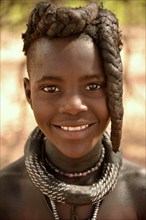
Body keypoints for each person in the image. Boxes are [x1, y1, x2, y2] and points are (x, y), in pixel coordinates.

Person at [0, 2, 145, 220]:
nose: (73, 106)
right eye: (51, 88)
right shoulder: (5, 195)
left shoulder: (139, 192)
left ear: (116, 89)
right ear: (29, 94)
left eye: (93, 86)